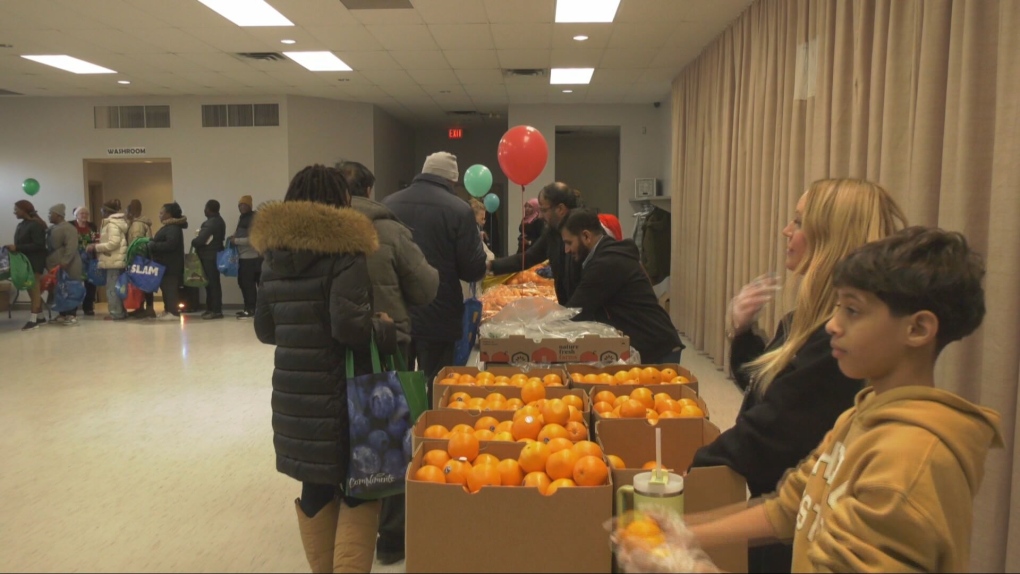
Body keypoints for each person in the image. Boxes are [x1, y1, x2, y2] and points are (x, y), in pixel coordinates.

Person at [679, 227, 1002, 573]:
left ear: (918, 329)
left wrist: (688, 566)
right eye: (836, 307)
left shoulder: (909, 463)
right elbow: (789, 507)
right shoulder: (858, 415)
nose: (832, 325)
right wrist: (683, 536)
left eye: (853, 310)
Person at [689, 178, 908, 573]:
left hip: (804, 532)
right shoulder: (803, 323)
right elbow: (772, 390)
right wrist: (741, 332)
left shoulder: (837, 345)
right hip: (787, 506)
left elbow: (770, 430)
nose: (786, 231)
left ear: (832, 238)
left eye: (798, 221)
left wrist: (690, 473)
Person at [251, 164, 396, 574]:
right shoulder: (345, 251)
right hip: (345, 394)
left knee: (314, 485)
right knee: (361, 487)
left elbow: (265, 329)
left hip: (296, 395)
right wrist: (381, 328)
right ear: (341, 202)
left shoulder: (273, 255)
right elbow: (349, 328)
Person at [340, 160, 439, 566]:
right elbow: (426, 286)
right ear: (369, 188)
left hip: (334, 352)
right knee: (392, 436)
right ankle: (392, 538)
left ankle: (344, 528)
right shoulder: (388, 230)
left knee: (345, 434)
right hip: (388, 346)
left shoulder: (317, 232)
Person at [383, 151, 487, 400]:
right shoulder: (459, 210)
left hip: (396, 310)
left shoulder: (388, 203)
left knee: (399, 386)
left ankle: (404, 435)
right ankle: (433, 435)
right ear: (452, 180)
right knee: (438, 386)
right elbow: (472, 269)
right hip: (439, 312)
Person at [560, 208, 684, 363]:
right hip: (651, 342)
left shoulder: (605, 264)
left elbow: (576, 312)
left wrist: (540, 329)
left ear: (586, 236)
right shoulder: (605, 254)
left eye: (568, 243)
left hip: (656, 348)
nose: (566, 250)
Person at [489, 182, 582, 304]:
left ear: (560, 209)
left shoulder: (585, 232)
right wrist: (490, 266)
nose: (540, 216)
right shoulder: (552, 233)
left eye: (543, 210)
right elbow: (528, 258)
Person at [7, 200, 49, 330]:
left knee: (34, 290)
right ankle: (41, 317)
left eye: (16, 209)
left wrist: (17, 247)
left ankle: (33, 319)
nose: (14, 212)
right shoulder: (22, 225)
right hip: (25, 261)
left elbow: (39, 245)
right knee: (31, 290)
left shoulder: (35, 225)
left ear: (24, 210)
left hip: (35, 261)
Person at [86, 199, 129, 321]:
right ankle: (121, 311)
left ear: (106, 211)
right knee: (118, 287)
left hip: (113, 260)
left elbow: (113, 243)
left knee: (112, 288)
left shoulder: (111, 224)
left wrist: (96, 247)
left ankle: (116, 313)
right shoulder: (117, 222)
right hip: (116, 259)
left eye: (102, 210)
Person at [147, 202, 187, 320]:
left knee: (170, 289)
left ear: (169, 214)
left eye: (161, 213)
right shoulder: (169, 227)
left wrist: (153, 245)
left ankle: (173, 312)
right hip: (165, 264)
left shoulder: (173, 228)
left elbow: (170, 245)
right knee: (166, 288)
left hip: (171, 265)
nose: (159, 215)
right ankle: (168, 310)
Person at [45, 204, 83, 326]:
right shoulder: (52, 228)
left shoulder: (69, 228)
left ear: (58, 215)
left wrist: (65, 261)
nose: (49, 216)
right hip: (56, 267)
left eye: (51, 213)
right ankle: (61, 314)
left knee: (70, 288)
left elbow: (71, 247)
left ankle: (72, 314)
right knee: (59, 290)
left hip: (69, 265)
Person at [228, 195, 261, 319]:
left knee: (248, 285)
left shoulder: (253, 219)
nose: (242, 207)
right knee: (244, 284)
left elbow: (254, 239)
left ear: (250, 206)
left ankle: (251, 309)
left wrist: (236, 241)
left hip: (250, 258)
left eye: (244, 205)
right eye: (240, 205)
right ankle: (249, 308)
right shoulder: (243, 218)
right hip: (245, 257)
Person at [191, 199, 225, 320]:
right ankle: (212, 308)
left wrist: (193, 241)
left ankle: (215, 310)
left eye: (205, 208)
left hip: (209, 256)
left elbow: (200, 240)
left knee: (212, 284)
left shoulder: (210, 223)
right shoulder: (220, 221)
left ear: (208, 209)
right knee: (212, 284)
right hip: (215, 255)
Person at [126, 199, 155, 319]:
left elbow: (136, 243)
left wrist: (132, 259)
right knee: (146, 283)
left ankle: (144, 308)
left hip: (138, 257)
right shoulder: (144, 222)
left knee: (141, 284)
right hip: (146, 256)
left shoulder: (136, 224)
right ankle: (146, 308)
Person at [72, 206, 99, 316]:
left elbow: (98, 239)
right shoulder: (71, 225)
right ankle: (72, 307)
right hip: (75, 259)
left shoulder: (92, 226)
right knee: (74, 284)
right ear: (76, 215)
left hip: (89, 259)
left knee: (91, 284)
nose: (84, 216)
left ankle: (88, 307)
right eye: (81, 213)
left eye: (86, 214)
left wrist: (94, 245)